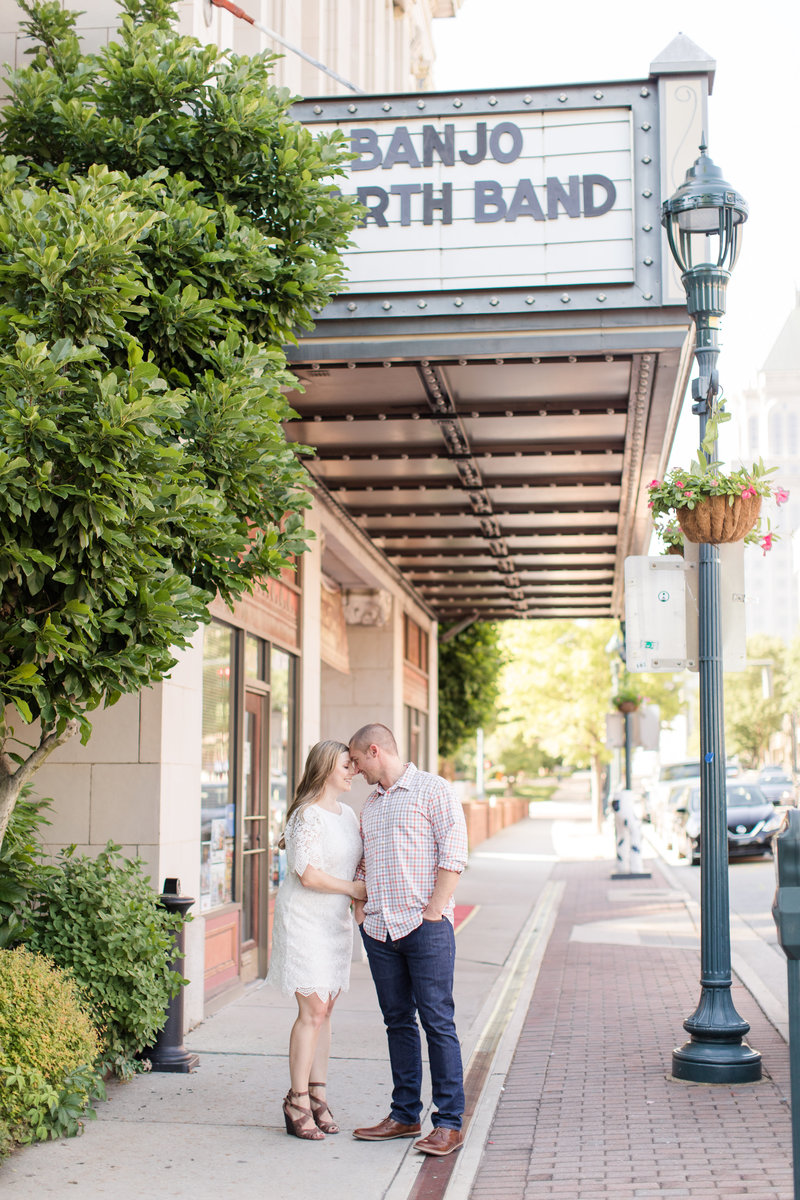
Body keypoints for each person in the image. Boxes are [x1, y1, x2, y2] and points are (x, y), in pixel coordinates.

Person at [348, 723, 469, 1158]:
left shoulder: (433, 790)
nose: (355, 768)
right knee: (397, 1022)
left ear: (374, 750)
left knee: (437, 1022)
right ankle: (404, 1115)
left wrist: (434, 911)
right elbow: (365, 862)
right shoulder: (371, 805)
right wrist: (362, 912)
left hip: (425, 928)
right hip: (380, 932)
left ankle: (449, 1123)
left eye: (357, 760)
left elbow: (454, 853)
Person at [266, 740, 366, 1141]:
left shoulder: (348, 814)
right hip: (305, 918)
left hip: (335, 922)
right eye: (346, 765)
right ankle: (297, 1100)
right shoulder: (306, 816)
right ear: (325, 768)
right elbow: (307, 873)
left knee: (326, 1011)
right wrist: (354, 890)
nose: (353, 771)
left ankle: (319, 1095)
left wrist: (355, 899)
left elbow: (355, 861)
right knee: (313, 1011)